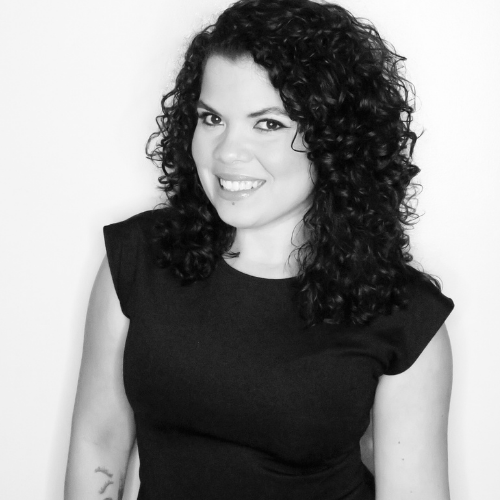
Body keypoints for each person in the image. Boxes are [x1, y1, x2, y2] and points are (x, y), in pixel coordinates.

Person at [65, 0, 454, 499]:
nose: (227, 151)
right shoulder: (140, 257)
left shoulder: (403, 315)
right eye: (211, 118)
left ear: (333, 138)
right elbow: (98, 444)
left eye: (267, 123)